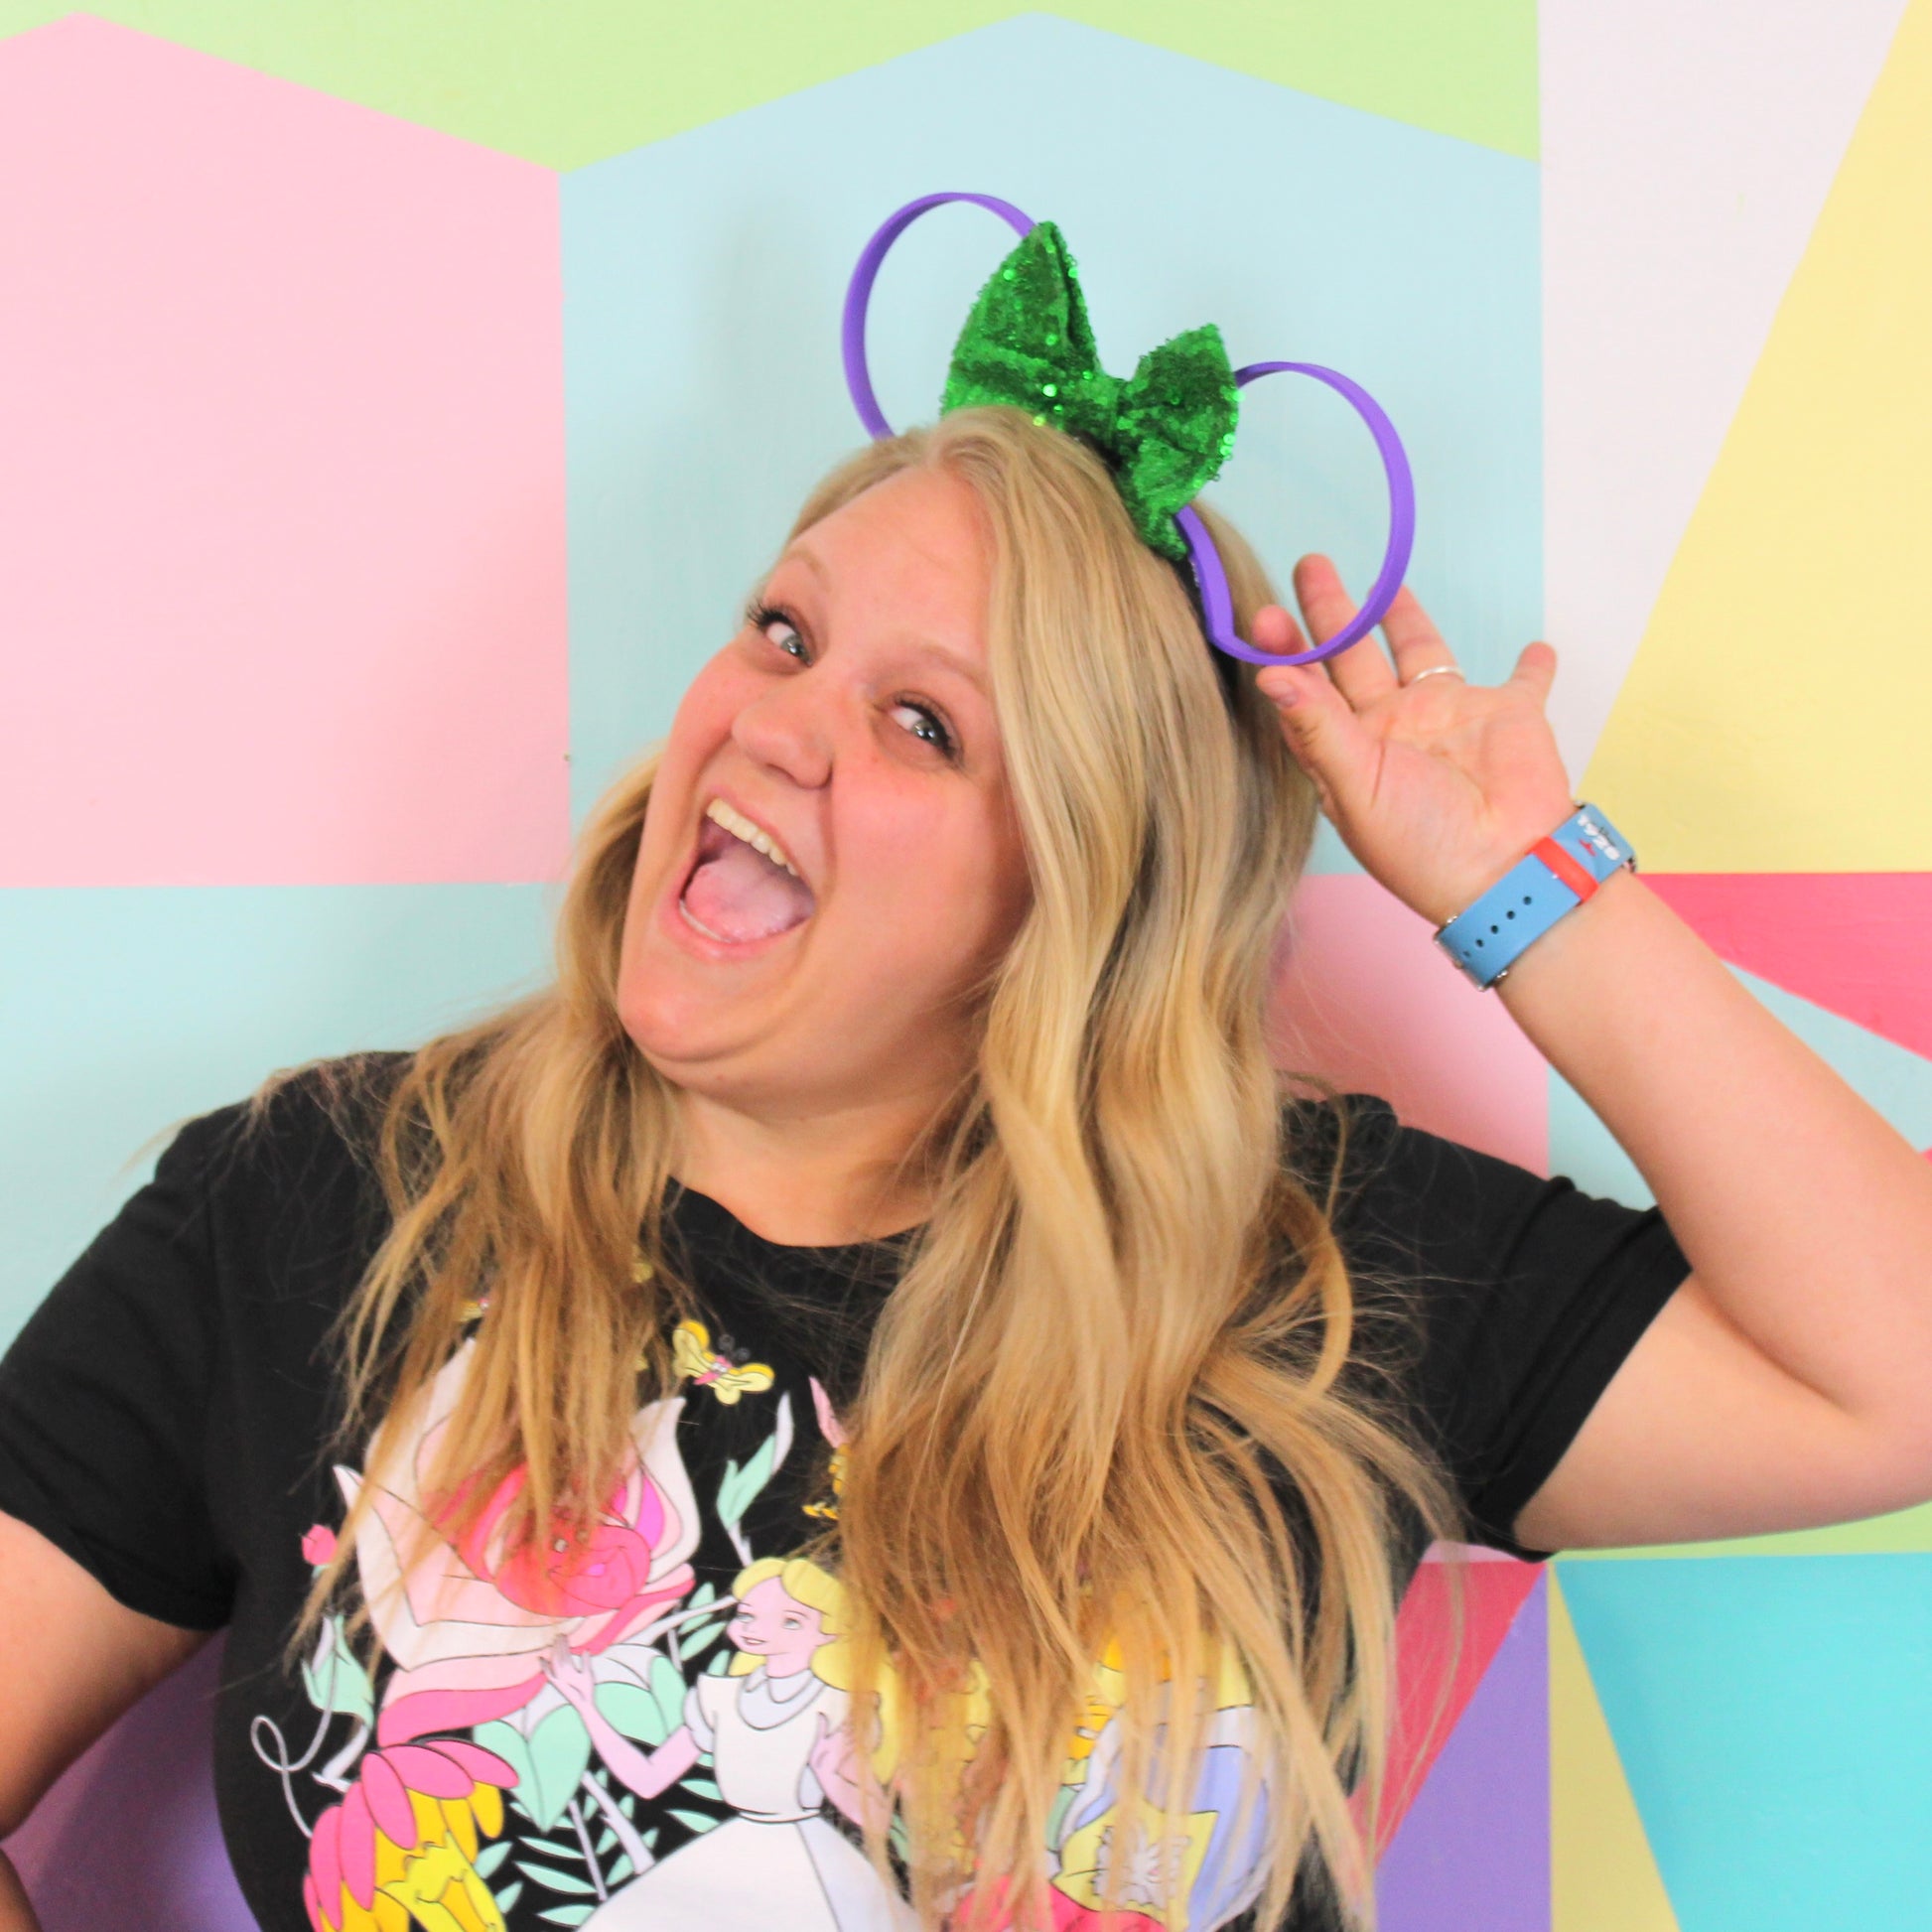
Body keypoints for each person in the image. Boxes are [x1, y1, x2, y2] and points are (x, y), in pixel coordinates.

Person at [1, 406, 1929, 1932]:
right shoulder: (322, 1199)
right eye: (782, 630)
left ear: (1068, 902)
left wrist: (1523, 879)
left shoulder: (1299, 1261)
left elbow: (1892, 1364)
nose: (780, 722)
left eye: (923, 723)